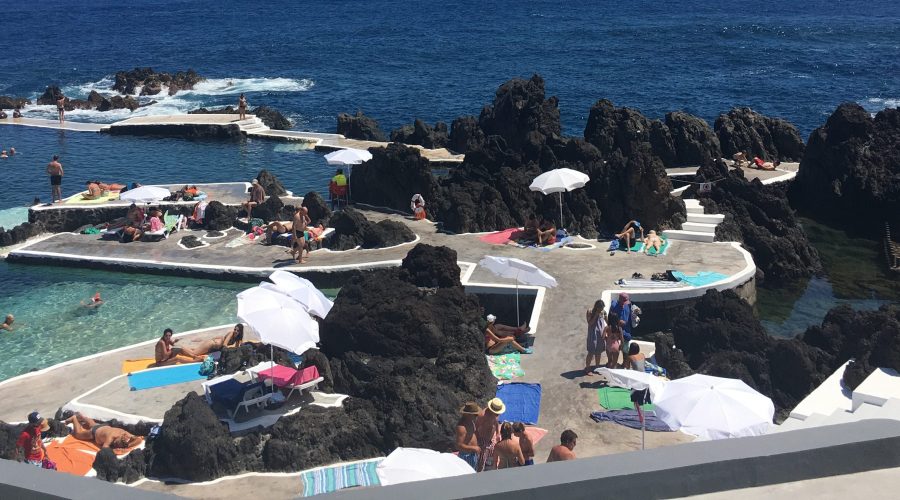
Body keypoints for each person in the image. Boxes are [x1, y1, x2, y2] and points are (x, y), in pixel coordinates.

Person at [64, 412, 141, 449]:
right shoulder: (111, 437)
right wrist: (114, 449)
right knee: (78, 434)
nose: (115, 444)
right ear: (118, 438)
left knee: (93, 424)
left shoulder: (125, 434)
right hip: (94, 433)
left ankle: (82, 417)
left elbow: (139, 439)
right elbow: (104, 449)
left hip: (103, 426)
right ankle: (74, 418)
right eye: (116, 443)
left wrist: (128, 445)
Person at [475, 398, 505, 471]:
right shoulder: (483, 416)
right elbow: (475, 428)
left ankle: (488, 467)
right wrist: (477, 442)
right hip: (482, 440)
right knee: (481, 462)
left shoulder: (495, 414)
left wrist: (498, 433)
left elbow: (496, 422)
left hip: (491, 439)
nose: (498, 414)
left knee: (492, 458)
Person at [455, 402, 482, 470]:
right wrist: (474, 448)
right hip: (466, 456)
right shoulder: (461, 427)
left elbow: (472, 434)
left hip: (473, 455)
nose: (477, 416)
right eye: (475, 415)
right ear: (467, 414)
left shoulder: (471, 421)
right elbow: (458, 445)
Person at [585, 300, 606, 375]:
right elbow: (590, 323)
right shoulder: (590, 311)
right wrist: (596, 314)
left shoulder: (603, 312)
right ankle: (587, 368)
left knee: (598, 353)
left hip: (600, 335)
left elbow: (606, 321)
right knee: (591, 352)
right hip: (592, 334)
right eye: (600, 308)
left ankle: (597, 367)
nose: (601, 310)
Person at [610, 292, 633, 360]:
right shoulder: (613, 306)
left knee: (625, 349)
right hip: (617, 331)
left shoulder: (628, 305)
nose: (625, 303)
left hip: (626, 331)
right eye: (624, 301)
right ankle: (612, 363)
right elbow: (610, 318)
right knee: (615, 348)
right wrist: (618, 321)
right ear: (619, 299)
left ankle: (624, 363)